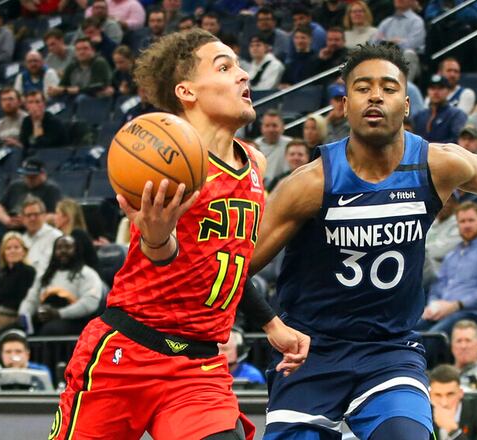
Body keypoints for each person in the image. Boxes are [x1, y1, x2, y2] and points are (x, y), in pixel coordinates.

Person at [249, 43, 477, 439]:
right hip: (310, 354)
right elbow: (236, 269)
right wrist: (270, 323)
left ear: (405, 105)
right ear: (345, 103)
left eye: (387, 88)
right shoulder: (310, 183)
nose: (375, 96)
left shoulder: (437, 164)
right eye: (363, 87)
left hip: (389, 353)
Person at [51, 29, 308, 440]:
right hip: (128, 354)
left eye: (240, 67)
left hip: (199, 368)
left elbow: (228, 260)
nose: (243, 76)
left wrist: (270, 322)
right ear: (187, 91)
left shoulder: (254, 163)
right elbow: (161, 251)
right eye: (225, 67)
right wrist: (156, 238)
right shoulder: (163, 159)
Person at [422, 202, 477, 333]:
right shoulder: (451, 256)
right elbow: (437, 285)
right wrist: (433, 305)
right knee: (411, 332)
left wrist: (457, 305)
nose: (467, 225)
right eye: (462, 221)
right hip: (443, 312)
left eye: (471, 220)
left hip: (473, 314)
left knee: (434, 336)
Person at [18, 235, 103, 336]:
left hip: (75, 321)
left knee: (50, 330)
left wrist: (59, 313)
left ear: (76, 250)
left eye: (67, 247)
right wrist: (24, 316)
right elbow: (31, 300)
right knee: (15, 331)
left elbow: (90, 303)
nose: (63, 251)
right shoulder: (45, 276)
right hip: (44, 316)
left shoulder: (88, 274)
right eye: (59, 248)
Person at [429, 364, 477, 440]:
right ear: (430, 395)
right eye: (438, 395)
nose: (444, 403)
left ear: (460, 393)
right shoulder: (423, 414)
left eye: (450, 394)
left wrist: (453, 431)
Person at [0, 158, 63, 229]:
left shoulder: (51, 189)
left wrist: (26, 220)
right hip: (12, 225)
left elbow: (54, 216)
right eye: (26, 176)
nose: (29, 179)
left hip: (37, 228)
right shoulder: (15, 185)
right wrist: (7, 220)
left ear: (43, 174)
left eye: (33, 177)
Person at [371, 0, 424, 80]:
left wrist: (386, 41)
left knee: (409, 53)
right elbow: (373, 43)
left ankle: (404, 88)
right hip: (385, 58)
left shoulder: (416, 21)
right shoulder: (386, 22)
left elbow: (412, 45)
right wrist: (397, 41)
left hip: (406, 60)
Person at [412, 74, 467, 144]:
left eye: (440, 88)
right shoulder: (419, 116)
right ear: (428, 91)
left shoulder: (456, 114)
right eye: (432, 88)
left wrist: (430, 147)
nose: (436, 92)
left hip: (446, 154)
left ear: (448, 91)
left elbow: (458, 140)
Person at [20, 196, 63, 276]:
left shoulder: (56, 237)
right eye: (28, 215)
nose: (32, 218)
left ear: (44, 215)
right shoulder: (21, 240)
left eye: (36, 214)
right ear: (22, 218)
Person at [54, 198, 99, 271]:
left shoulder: (77, 235)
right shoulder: (70, 235)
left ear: (66, 217)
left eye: (56, 213)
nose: (54, 217)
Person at [450, 320, 477, 388]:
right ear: (452, 346)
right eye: (459, 341)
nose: (463, 346)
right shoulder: (442, 376)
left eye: (468, 341)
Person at [253, 110, 292, 183]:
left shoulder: (290, 145)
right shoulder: (253, 146)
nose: (271, 129)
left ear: (282, 127)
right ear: (261, 128)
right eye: (267, 126)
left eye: (274, 125)